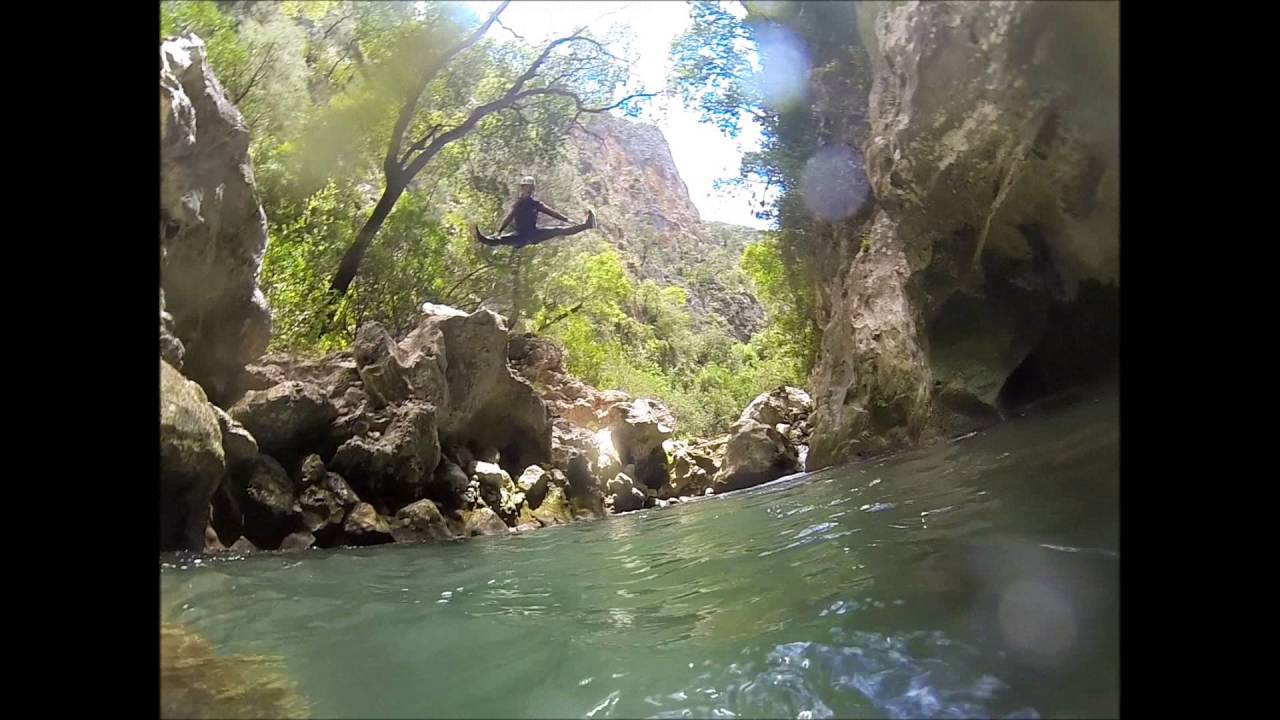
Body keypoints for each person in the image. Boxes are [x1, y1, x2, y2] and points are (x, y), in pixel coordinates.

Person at [473, 176, 596, 248]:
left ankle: (587, 224)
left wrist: (567, 220)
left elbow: (552, 213)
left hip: (534, 234)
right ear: (522, 188)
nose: (528, 190)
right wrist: (499, 231)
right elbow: (509, 218)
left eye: (530, 188)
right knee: (500, 240)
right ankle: (484, 239)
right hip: (521, 235)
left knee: (559, 230)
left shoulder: (535, 204)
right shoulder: (519, 204)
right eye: (526, 187)